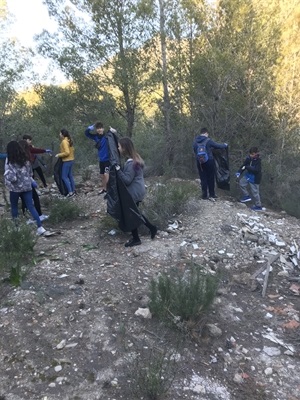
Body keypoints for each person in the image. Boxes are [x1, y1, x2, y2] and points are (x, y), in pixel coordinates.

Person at [116, 137, 157, 247]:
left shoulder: (131, 163)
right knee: (135, 213)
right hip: (137, 190)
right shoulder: (134, 160)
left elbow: (127, 180)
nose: (118, 148)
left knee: (131, 214)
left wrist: (118, 170)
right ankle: (152, 228)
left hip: (134, 192)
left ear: (124, 148)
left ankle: (137, 239)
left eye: (119, 146)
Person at [4, 141, 46, 235]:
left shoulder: (10, 160)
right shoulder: (26, 159)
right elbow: (30, 173)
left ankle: (17, 227)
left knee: (14, 207)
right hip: (27, 186)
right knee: (31, 206)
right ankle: (40, 227)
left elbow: (11, 176)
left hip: (15, 188)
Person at [193, 127, 228, 200]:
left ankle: (204, 195)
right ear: (206, 133)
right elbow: (218, 146)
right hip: (209, 161)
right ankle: (212, 194)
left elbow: (195, 151)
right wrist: (225, 145)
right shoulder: (208, 140)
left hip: (199, 162)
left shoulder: (195, 141)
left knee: (203, 178)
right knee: (210, 178)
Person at [18, 140, 48, 222]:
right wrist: (31, 180)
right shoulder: (25, 157)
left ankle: (27, 217)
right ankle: (38, 216)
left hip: (20, 184)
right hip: (26, 182)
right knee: (33, 197)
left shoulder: (15, 157)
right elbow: (27, 172)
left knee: (25, 199)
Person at [84, 122, 111, 195]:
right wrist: (90, 128)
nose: (99, 130)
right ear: (96, 129)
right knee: (102, 175)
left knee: (106, 174)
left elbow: (115, 138)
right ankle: (104, 189)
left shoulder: (107, 136)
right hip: (101, 159)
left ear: (103, 128)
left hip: (108, 159)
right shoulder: (96, 137)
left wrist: (114, 131)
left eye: (100, 128)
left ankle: (109, 190)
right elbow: (86, 133)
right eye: (98, 128)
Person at [235, 146, 262, 211]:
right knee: (241, 183)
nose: (251, 155)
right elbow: (244, 166)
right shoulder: (248, 159)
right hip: (248, 175)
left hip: (254, 178)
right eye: (250, 154)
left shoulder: (259, 161)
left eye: (252, 154)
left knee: (255, 192)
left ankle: (258, 206)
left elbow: (256, 170)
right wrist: (239, 172)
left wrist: (248, 167)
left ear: (256, 154)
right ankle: (246, 195)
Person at [55, 129, 75, 198]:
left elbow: (67, 152)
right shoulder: (69, 140)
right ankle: (73, 190)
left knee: (64, 177)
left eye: (60, 133)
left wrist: (59, 155)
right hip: (71, 160)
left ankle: (70, 192)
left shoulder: (64, 141)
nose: (59, 135)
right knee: (70, 176)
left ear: (62, 134)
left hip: (67, 160)